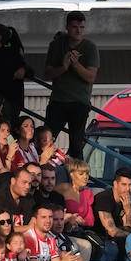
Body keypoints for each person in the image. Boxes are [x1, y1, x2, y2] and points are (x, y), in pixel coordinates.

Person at [42, 12, 99, 158]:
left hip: (79, 103)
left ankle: (76, 176)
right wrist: (64, 67)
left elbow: (91, 76)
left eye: (81, 27)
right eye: (74, 27)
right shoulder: (57, 45)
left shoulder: (90, 47)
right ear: (67, 27)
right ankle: (43, 170)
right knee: (46, 139)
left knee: (76, 144)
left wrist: (75, 64)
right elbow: (47, 73)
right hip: (58, 101)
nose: (78, 31)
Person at [93, 167, 131, 258]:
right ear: (115, 184)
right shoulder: (104, 198)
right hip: (100, 236)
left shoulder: (128, 200)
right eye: (124, 184)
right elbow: (112, 231)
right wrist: (130, 235)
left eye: (130, 185)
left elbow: (130, 227)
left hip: (119, 239)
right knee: (112, 249)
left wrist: (128, 209)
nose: (128, 189)